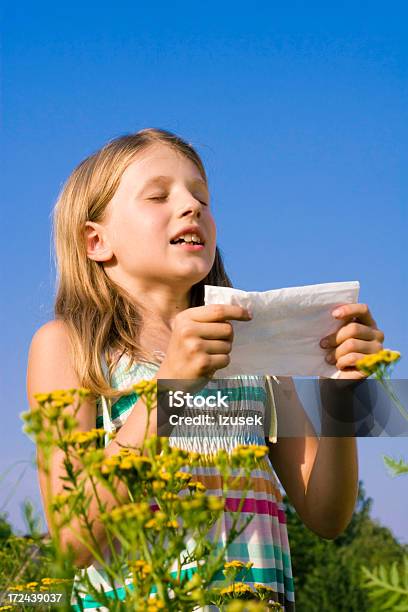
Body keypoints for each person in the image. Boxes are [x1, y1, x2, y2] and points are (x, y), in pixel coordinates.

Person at [26, 128, 385, 611]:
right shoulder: (67, 347)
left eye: (202, 196)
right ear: (96, 241)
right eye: (158, 195)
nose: (190, 206)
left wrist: (344, 396)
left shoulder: (256, 350)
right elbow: (72, 540)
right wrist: (170, 385)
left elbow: (327, 515)